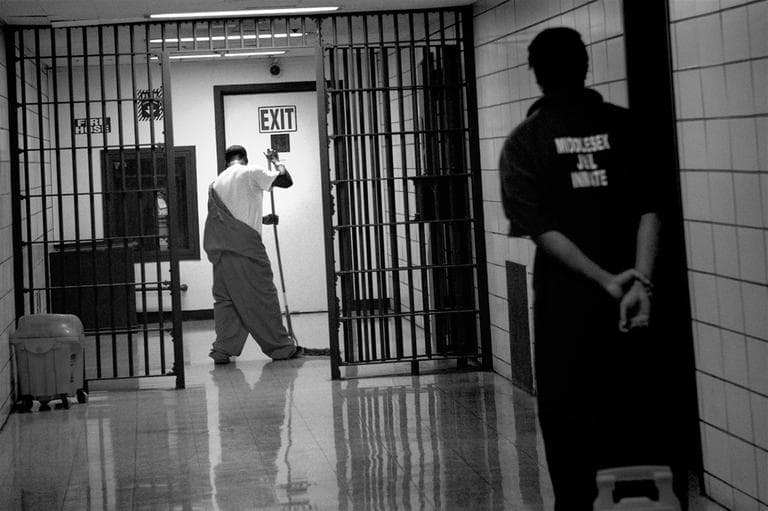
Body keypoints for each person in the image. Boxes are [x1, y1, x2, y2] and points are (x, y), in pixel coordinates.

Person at [499, 27, 683, 509]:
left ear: (535, 73)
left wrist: (605, 280)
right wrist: (637, 280)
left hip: (568, 311)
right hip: (639, 306)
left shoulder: (525, 141)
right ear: (586, 65)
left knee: (570, 425)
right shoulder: (629, 126)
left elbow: (540, 227)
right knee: (641, 412)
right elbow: (651, 207)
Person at [203, 145, 299, 364]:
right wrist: (276, 162)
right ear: (244, 159)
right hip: (246, 251)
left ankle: (222, 349)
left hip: (221, 253)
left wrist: (263, 219)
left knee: (228, 301)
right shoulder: (251, 171)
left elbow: (229, 217)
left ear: (226, 161)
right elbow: (286, 180)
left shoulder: (216, 183)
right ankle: (281, 347)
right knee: (262, 296)